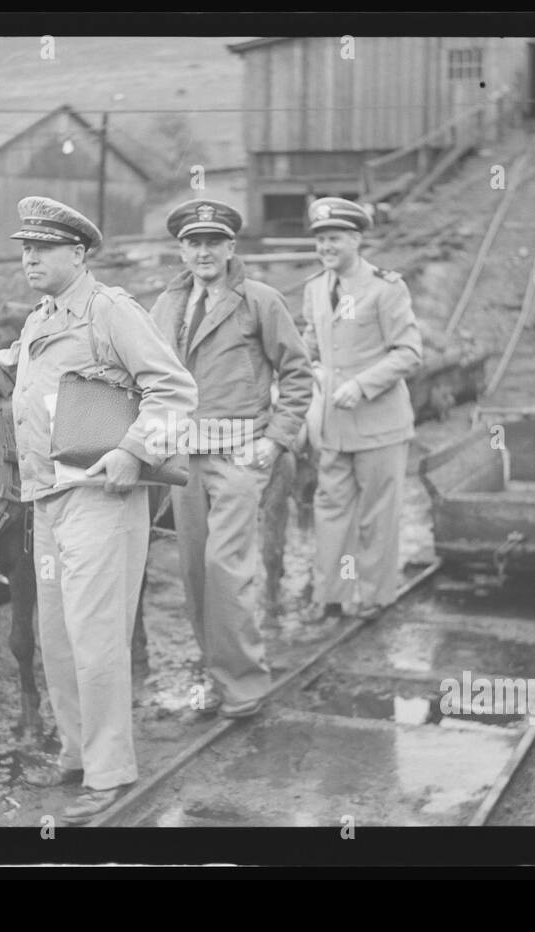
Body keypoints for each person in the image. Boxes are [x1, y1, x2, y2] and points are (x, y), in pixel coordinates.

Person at [0, 197, 197, 824]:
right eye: (24, 248)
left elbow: (174, 388)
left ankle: (111, 774)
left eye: (42, 249)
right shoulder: (40, 320)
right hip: (47, 498)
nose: (28, 258)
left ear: (78, 253)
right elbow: (14, 369)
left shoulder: (110, 310)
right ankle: (76, 755)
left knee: (96, 637)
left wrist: (133, 449)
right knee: (56, 638)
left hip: (100, 498)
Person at [149, 199, 312, 718]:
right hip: (183, 459)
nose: (203, 252)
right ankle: (216, 675)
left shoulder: (259, 300)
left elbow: (298, 374)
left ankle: (244, 687)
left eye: (213, 242)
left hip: (241, 457)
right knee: (195, 572)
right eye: (193, 243)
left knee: (227, 570)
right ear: (181, 249)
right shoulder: (165, 306)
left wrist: (277, 438)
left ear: (230, 248)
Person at [300, 197, 422, 622]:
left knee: (377, 515)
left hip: (379, 426)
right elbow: (312, 346)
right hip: (332, 426)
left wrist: (361, 385)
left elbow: (409, 352)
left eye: (334, 238)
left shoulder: (386, 288)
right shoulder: (315, 288)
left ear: (355, 238)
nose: (326, 247)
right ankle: (330, 594)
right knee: (330, 511)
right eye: (320, 240)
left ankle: (372, 596)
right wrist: (309, 367)